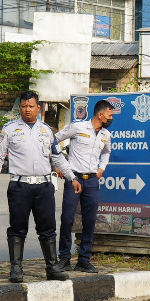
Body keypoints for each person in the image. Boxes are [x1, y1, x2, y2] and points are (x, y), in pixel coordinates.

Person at [0, 91, 74, 283]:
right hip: (19, 186)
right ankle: (16, 269)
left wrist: (71, 177)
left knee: (48, 228)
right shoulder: (9, 129)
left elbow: (57, 156)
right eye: (24, 106)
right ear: (20, 108)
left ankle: (52, 268)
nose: (27, 110)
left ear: (38, 108)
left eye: (31, 106)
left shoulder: (47, 131)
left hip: (43, 186)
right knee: (17, 228)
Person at [57, 100, 114, 273]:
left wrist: (101, 169)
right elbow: (55, 140)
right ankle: (64, 259)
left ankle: (84, 260)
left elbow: (107, 153)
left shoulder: (106, 135)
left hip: (91, 181)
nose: (111, 118)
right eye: (110, 114)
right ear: (100, 114)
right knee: (67, 218)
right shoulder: (78, 127)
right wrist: (59, 165)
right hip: (73, 178)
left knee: (89, 221)